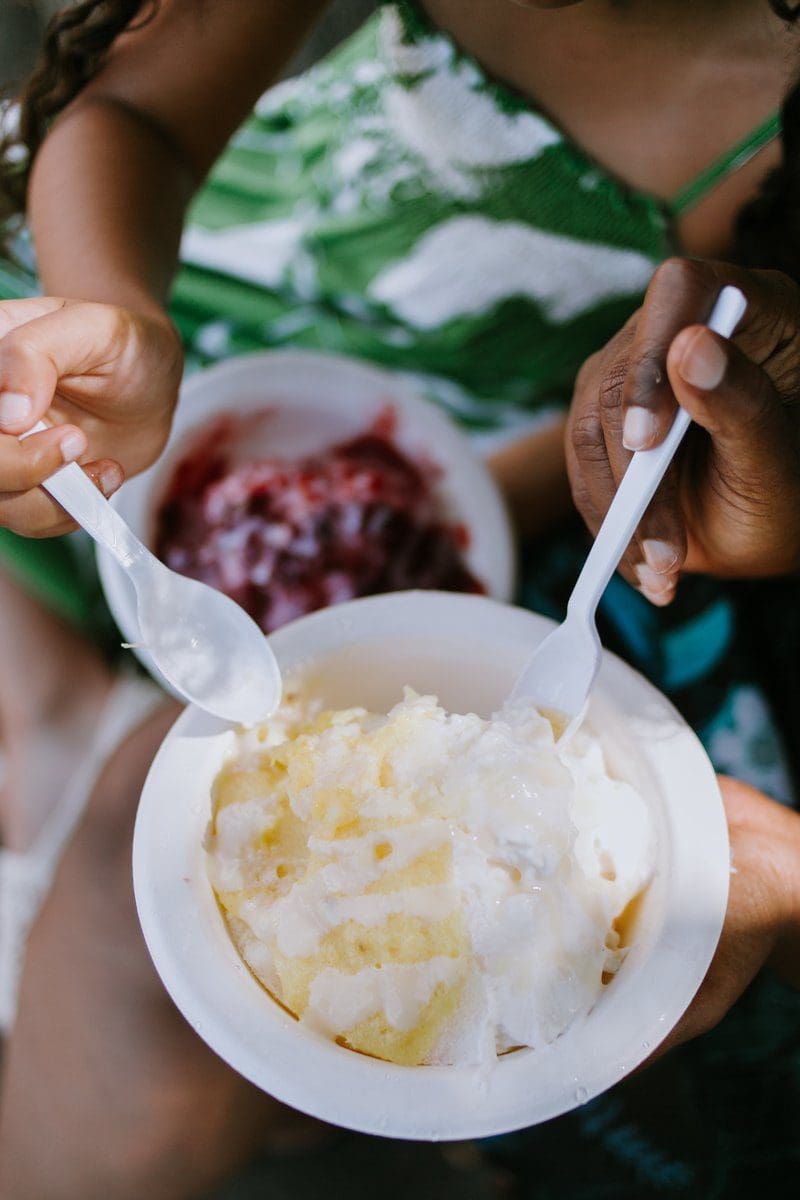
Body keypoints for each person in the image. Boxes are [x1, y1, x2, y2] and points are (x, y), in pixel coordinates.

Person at [0, 1, 798, 1196]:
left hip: (503, 465)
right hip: (187, 332)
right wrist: (121, 312)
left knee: (128, 855)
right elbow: (135, 115)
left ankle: (62, 761)